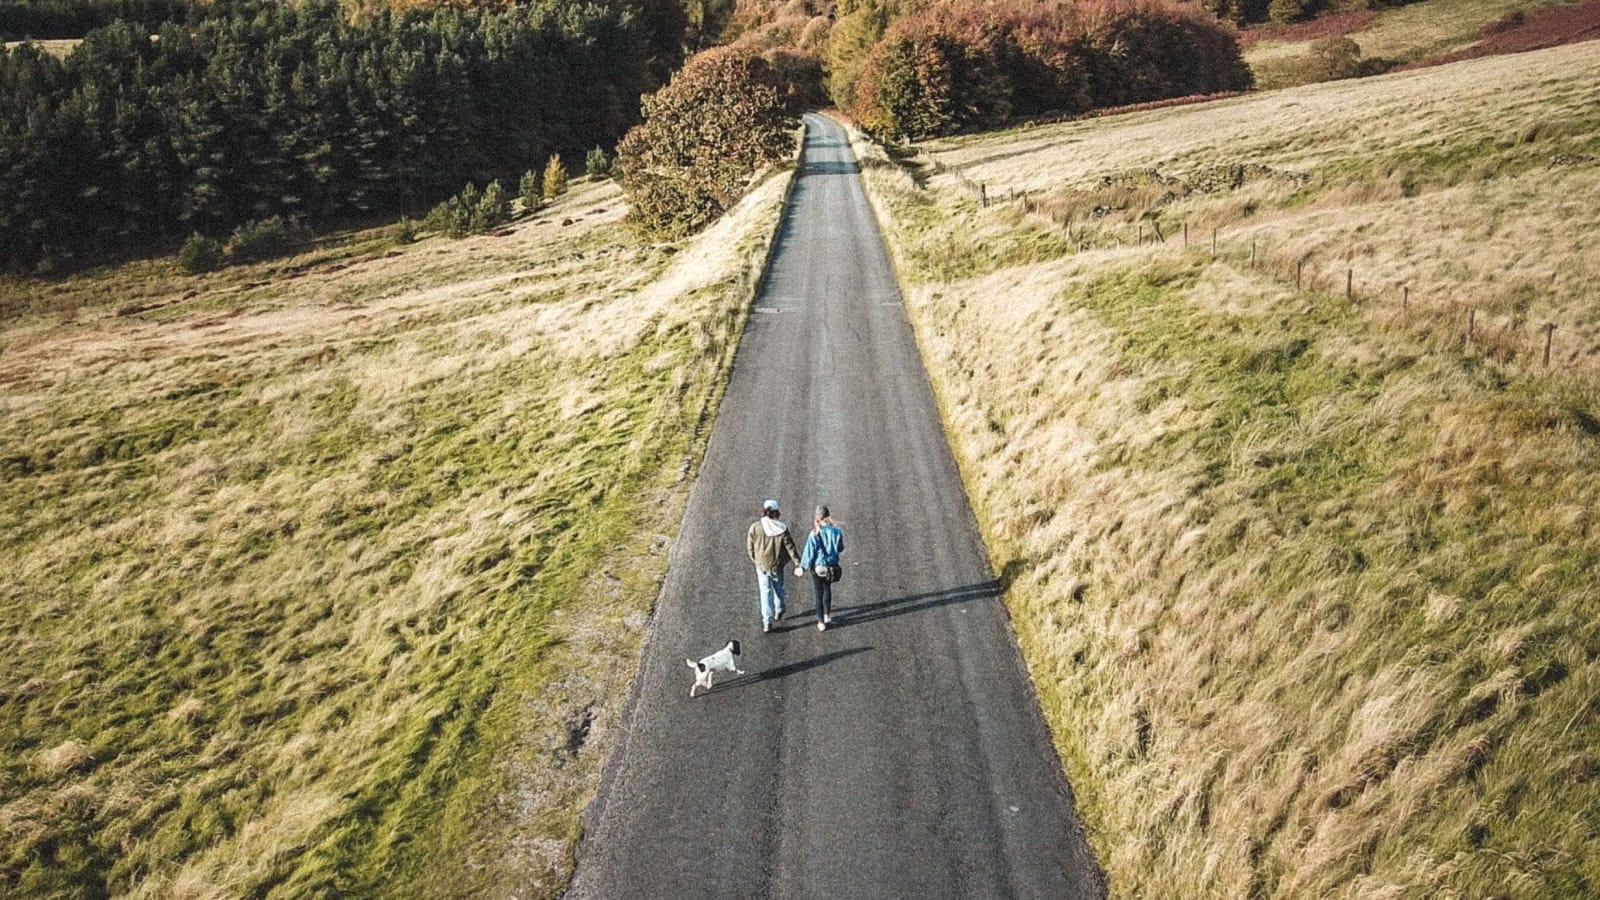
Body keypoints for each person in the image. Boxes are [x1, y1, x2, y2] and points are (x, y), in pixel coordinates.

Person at [747, 499, 800, 633]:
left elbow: (750, 547)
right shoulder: (781, 528)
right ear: (776, 512)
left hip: (761, 566)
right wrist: (798, 564)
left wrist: (756, 561)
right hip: (777, 566)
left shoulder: (755, 527)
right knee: (779, 589)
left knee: (765, 593)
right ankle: (779, 610)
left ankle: (767, 622)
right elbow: (790, 548)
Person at [796, 505, 845, 631]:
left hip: (818, 568)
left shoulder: (814, 534)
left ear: (817, 519)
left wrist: (802, 567)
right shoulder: (837, 531)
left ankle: (820, 622)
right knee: (827, 589)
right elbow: (840, 548)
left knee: (818, 593)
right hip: (831, 567)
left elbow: (809, 552)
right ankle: (827, 615)